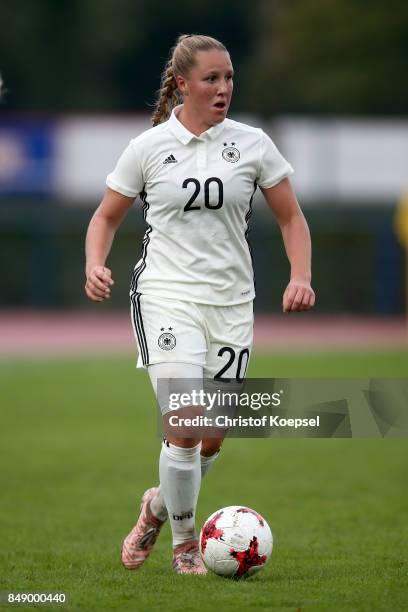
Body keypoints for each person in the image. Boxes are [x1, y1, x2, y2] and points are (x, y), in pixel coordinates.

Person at [84, 34, 315, 575]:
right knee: (184, 421)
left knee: (208, 439)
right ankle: (186, 545)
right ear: (182, 84)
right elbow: (105, 217)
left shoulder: (254, 143)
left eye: (229, 78)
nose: (223, 89)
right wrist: (95, 263)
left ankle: (157, 507)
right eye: (211, 79)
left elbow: (291, 218)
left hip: (232, 304)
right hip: (166, 296)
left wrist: (300, 275)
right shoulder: (148, 148)